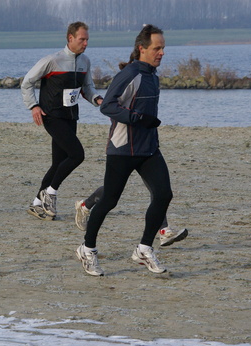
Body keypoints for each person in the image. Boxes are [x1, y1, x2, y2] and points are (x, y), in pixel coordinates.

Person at [75, 24, 174, 277]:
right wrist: (138, 119)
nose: (161, 52)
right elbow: (107, 106)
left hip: (149, 149)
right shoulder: (130, 74)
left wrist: (151, 130)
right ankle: (87, 249)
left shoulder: (153, 75)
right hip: (122, 149)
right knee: (109, 200)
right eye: (157, 48)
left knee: (163, 195)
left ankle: (144, 248)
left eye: (163, 48)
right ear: (142, 49)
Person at [21, 21, 103, 220]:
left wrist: (98, 99)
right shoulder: (52, 60)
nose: (85, 43)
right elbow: (27, 82)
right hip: (52, 116)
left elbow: (87, 87)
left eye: (87, 40)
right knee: (77, 155)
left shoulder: (85, 62)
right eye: (82, 39)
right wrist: (34, 106)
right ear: (70, 38)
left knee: (58, 163)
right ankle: (51, 193)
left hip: (71, 117)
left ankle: (36, 203)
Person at [75, 186, 188, 246]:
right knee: (112, 188)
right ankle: (85, 206)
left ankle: (163, 230)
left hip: (145, 150)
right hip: (123, 150)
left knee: (158, 189)